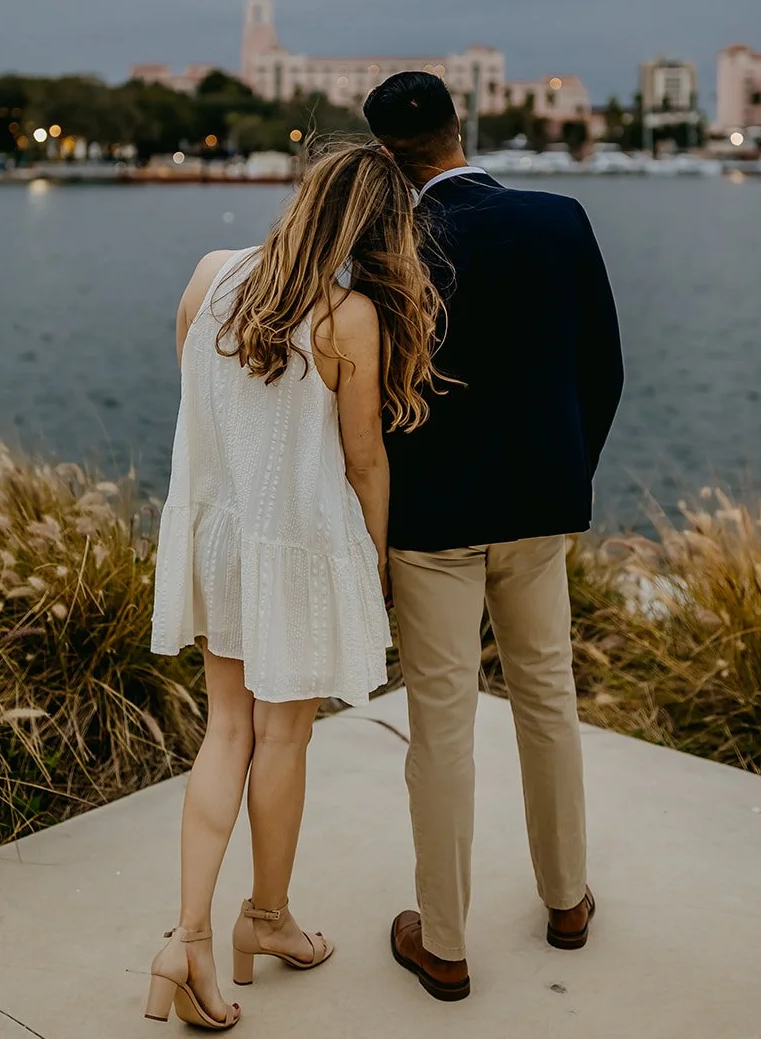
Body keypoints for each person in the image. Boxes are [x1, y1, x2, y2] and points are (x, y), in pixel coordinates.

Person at [146, 142, 441, 1029]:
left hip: (220, 536)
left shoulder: (210, 274)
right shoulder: (349, 317)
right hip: (299, 546)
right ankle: (265, 919)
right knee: (282, 739)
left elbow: (199, 398)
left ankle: (186, 940)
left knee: (223, 730)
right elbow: (362, 460)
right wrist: (377, 566)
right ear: (374, 230)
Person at [363, 71, 624, 1004]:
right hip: (538, 508)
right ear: (457, 125)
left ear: (386, 151)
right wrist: (565, 475)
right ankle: (565, 903)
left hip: (430, 522)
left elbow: (364, 398)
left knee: (441, 725)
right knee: (546, 696)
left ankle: (442, 944)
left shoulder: (385, 241)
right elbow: (602, 366)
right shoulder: (558, 220)